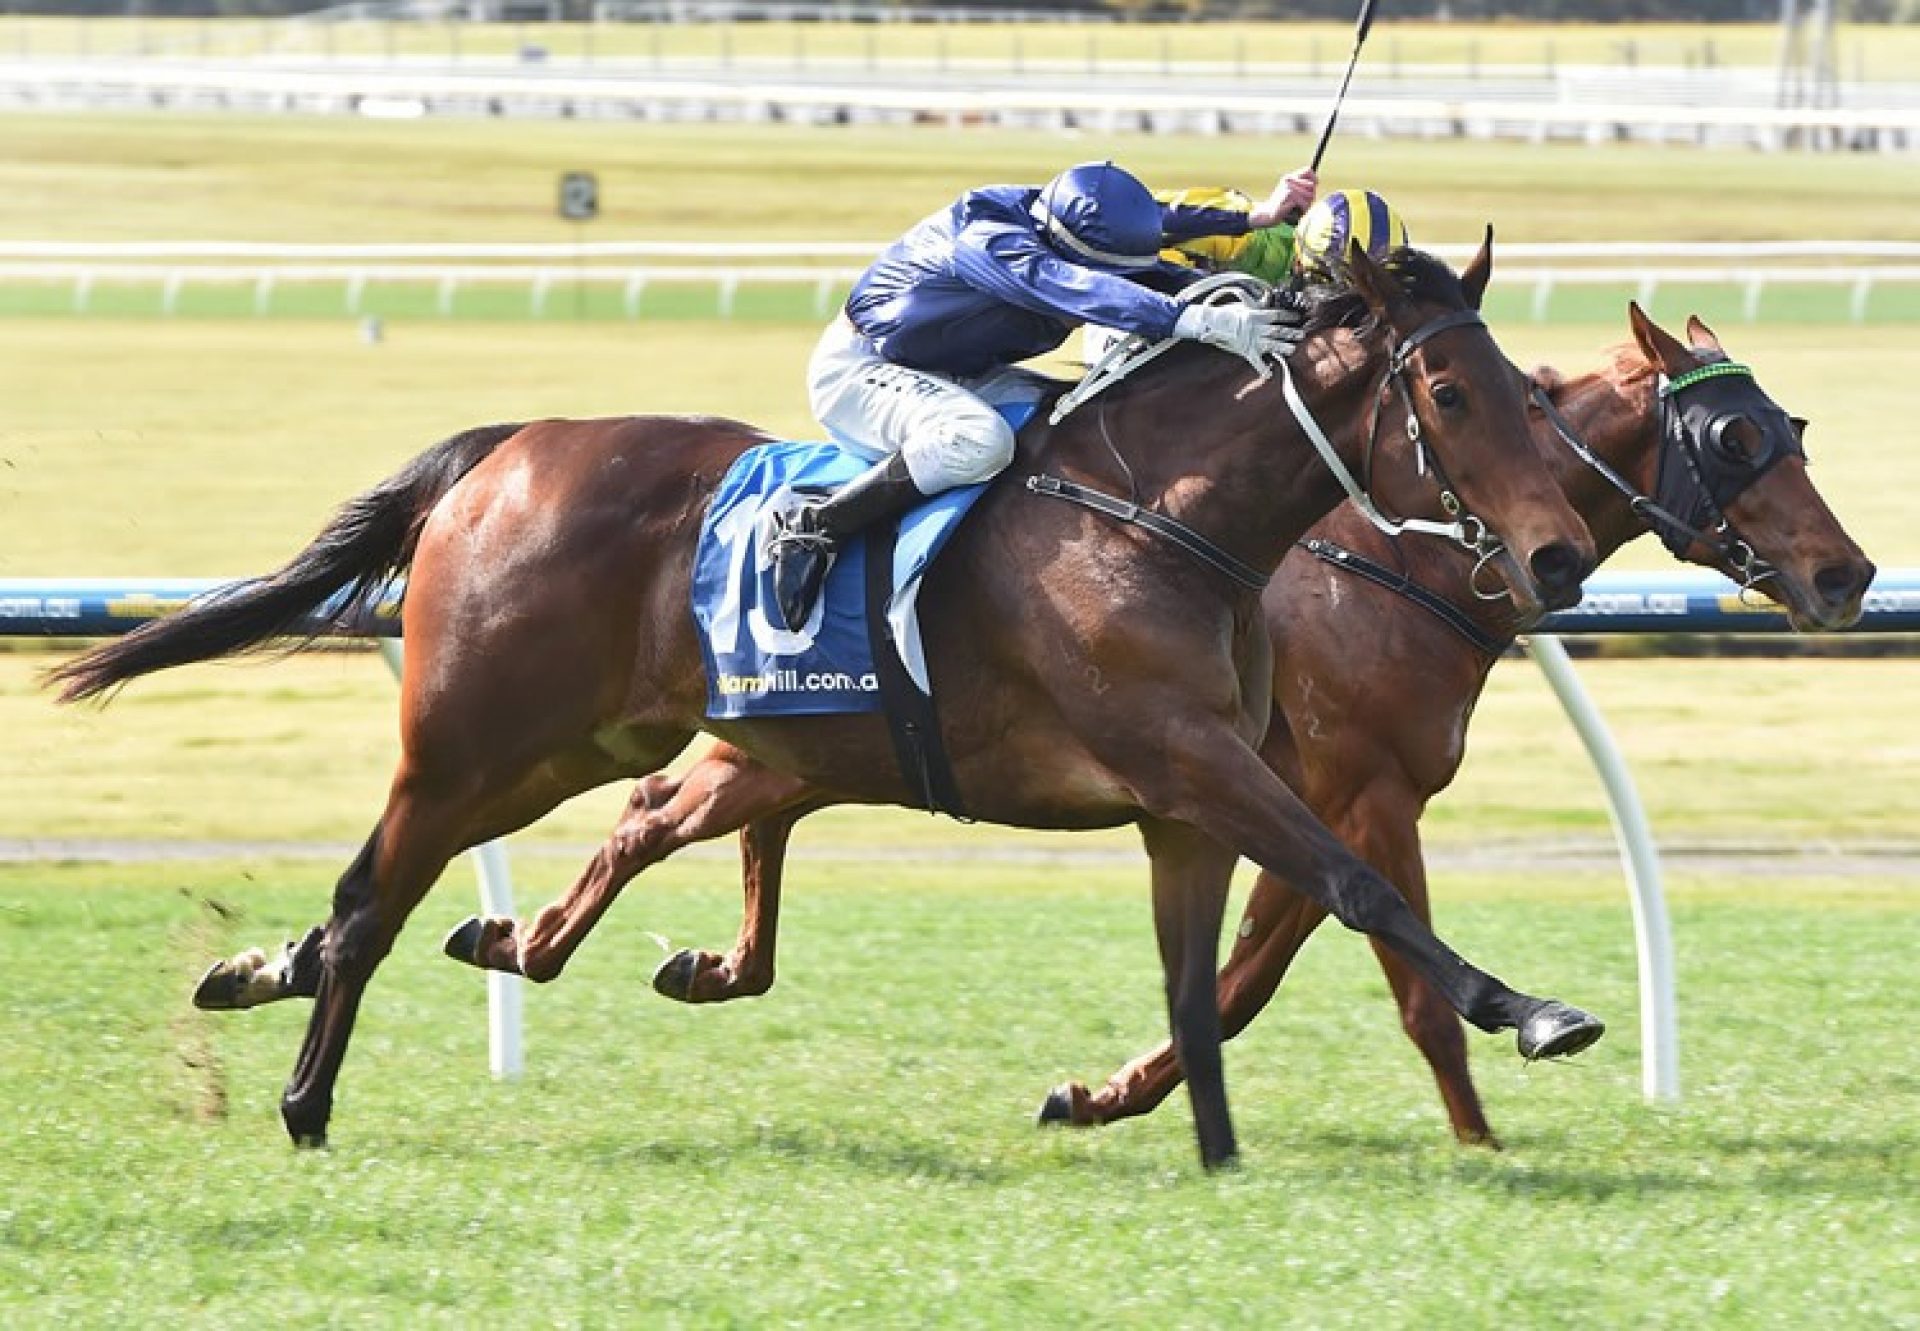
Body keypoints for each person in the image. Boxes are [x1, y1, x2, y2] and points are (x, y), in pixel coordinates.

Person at [766, 160, 1320, 632]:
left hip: (960, 371)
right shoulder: (992, 243)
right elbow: (1078, 287)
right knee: (978, 440)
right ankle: (815, 528)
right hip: (863, 370)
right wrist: (1194, 320)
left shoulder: (1067, 215)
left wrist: (1257, 217)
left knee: (1078, 418)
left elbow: (1154, 222)